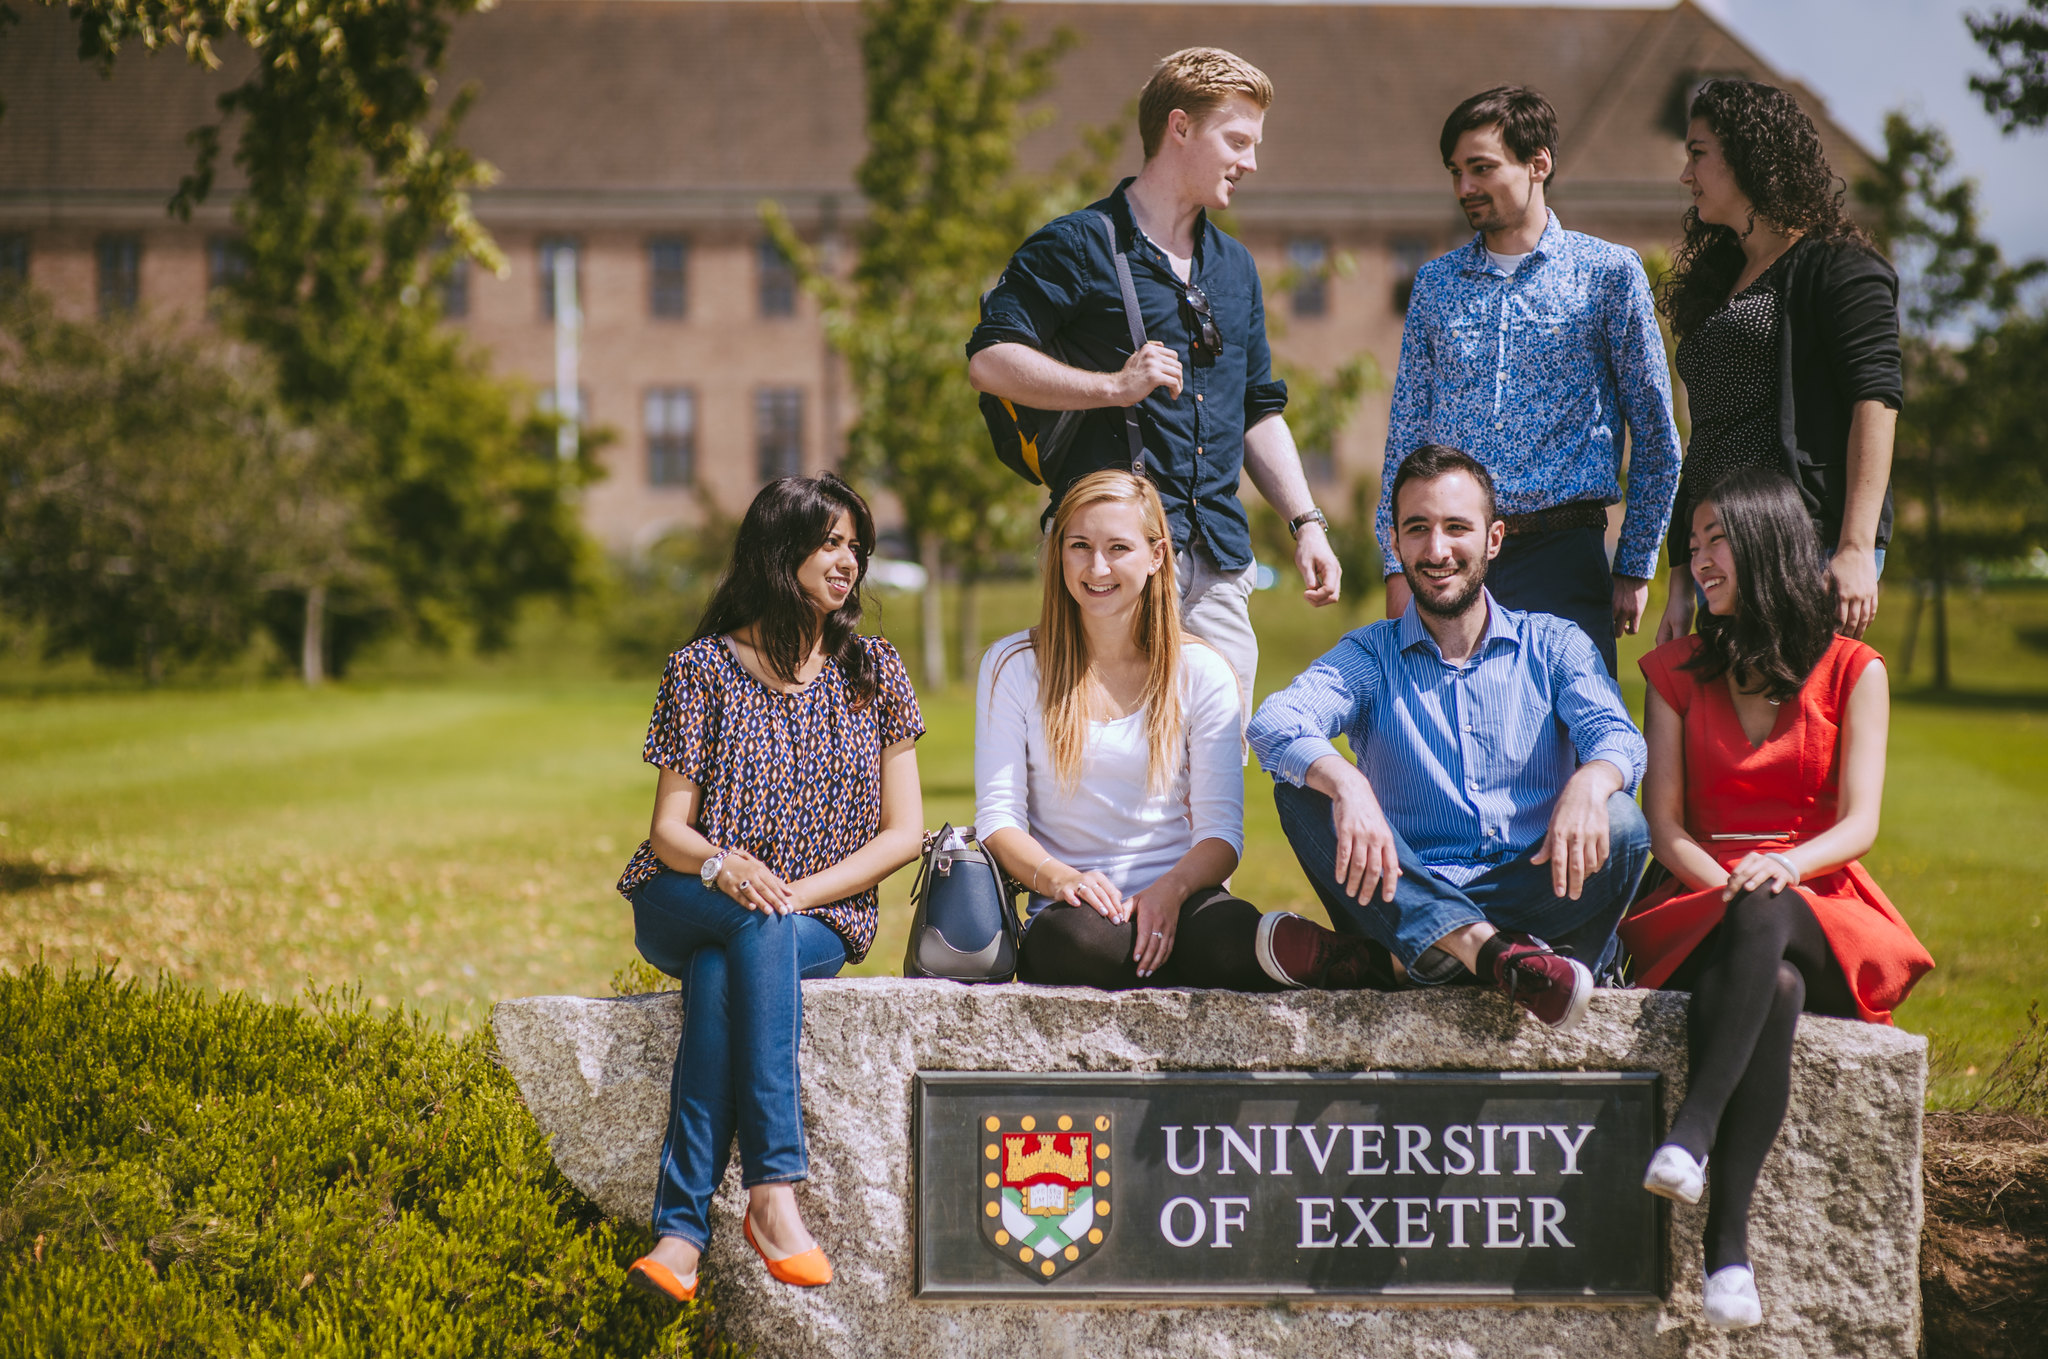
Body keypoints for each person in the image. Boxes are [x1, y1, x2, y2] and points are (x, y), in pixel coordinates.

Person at [1621, 467, 1932, 1329]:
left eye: (1715, 540)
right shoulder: (1677, 668)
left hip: (1820, 899)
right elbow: (1667, 826)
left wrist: (1782, 866)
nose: (1700, 561)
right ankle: (1728, 1253)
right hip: (1700, 900)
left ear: (1764, 542)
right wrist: (1726, 882)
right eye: (1693, 546)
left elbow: (1860, 822)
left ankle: (1691, 1132)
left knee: (1771, 910)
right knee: (1776, 988)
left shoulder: (1853, 669)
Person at [615, 473, 926, 1304]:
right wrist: (727, 865)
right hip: (690, 895)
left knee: (741, 956)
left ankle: (679, 1237)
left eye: (856, 545)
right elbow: (668, 833)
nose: (848, 561)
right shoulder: (701, 669)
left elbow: (904, 834)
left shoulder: (875, 670)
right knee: (745, 930)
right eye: (830, 542)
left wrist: (795, 891)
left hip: (817, 913)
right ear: (777, 549)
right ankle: (773, 1191)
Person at [968, 47, 1341, 711]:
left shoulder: (1236, 269)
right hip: (1112, 563)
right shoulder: (1078, 245)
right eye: (1237, 140)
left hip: (1222, 562)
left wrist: (1306, 521)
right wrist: (1112, 386)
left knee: (1216, 780)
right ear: (1180, 128)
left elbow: (1257, 408)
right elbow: (990, 358)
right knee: (1111, 767)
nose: (1250, 162)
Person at [1253, 444, 1651, 1030]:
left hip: (1534, 883)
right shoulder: (1369, 655)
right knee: (1302, 790)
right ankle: (1503, 957)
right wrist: (1345, 783)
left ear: (1493, 540)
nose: (1436, 550)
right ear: (1395, 541)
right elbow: (1275, 722)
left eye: (1456, 528)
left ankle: (1400, 963)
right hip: (1400, 889)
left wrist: (1593, 779)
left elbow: (1617, 736)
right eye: (1418, 529)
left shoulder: (1554, 644)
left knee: (1621, 822)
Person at [976, 469, 1394, 993]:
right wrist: (1064, 879)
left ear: (1156, 556)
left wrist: (1168, 893)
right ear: (1059, 552)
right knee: (1075, 945)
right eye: (1079, 545)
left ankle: (1349, 958)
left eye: (1118, 547)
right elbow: (998, 821)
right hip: (1073, 913)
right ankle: (1238, 961)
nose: (1097, 566)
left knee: (1225, 932)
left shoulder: (1202, 670)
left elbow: (1221, 835)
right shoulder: (1013, 665)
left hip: (1186, 901)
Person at [1378, 86, 1681, 678]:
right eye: (1456, 171)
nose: (1465, 186)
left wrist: (1636, 563)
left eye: (1482, 168)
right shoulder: (1435, 285)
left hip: (1564, 556)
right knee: (1449, 747)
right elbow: (1406, 436)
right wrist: (1396, 564)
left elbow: (1654, 430)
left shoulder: (1609, 275)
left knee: (1578, 746)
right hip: (1450, 560)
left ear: (1538, 163)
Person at [1654, 79, 1903, 646]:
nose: (1685, 175)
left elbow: (1877, 399)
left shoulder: (1838, 265)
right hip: (1719, 554)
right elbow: (1707, 438)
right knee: (1724, 734)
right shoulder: (1719, 280)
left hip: (1801, 543)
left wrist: (1856, 547)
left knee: (1795, 728)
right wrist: (1679, 579)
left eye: (1697, 154)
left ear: (1748, 155)